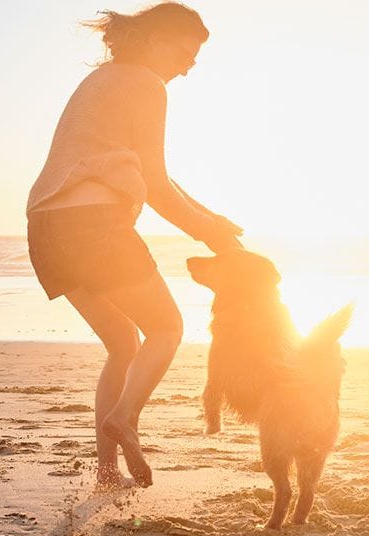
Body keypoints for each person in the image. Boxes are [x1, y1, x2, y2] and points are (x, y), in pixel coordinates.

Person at [27, 3, 242, 490]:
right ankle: (124, 419)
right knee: (167, 328)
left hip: (45, 227)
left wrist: (210, 218)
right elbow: (157, 185)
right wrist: (209, 233)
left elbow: (155, 175)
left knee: (123, 343)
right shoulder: (146, 83)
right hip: (92, 224)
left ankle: (106, 473)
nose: (189, 66)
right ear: (153, 40)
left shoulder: (104, 80)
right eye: (185, 53)